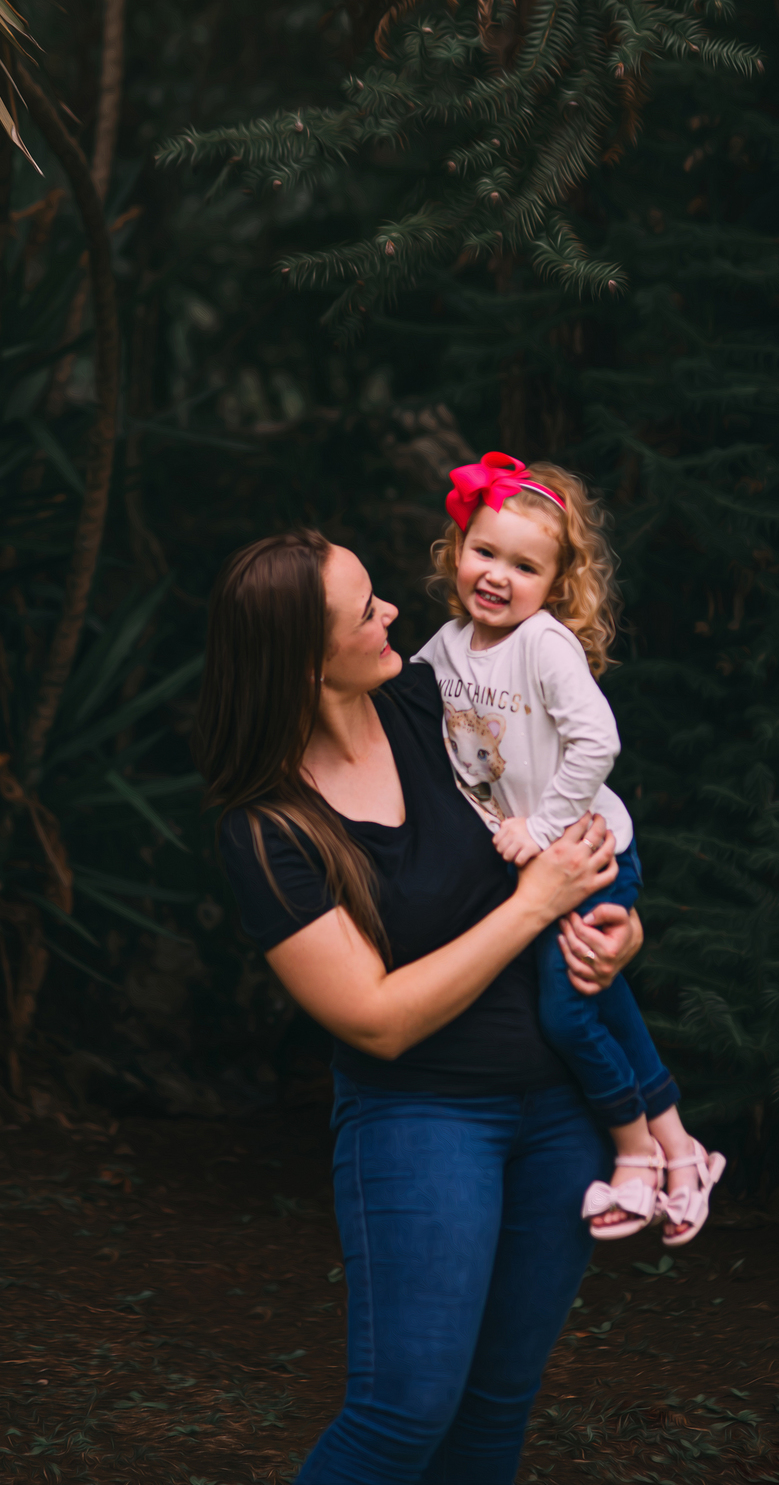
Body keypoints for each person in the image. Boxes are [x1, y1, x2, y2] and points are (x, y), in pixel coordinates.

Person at [193, 529, 643, 1485]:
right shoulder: (270, 831)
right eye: (366, 610)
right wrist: (536, 905)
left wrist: (614, 928)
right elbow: (375, 1017)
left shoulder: (425, 701)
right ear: (306, 661)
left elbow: (567, 813)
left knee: (491, 1419)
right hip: (424, 1115)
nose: (393, 609)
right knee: (402, 1417)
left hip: (563, 1108)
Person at [415, 452, 724, 1244]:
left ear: (554, 586)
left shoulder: (543, 646)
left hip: (586, 855)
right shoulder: (446, 647)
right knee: (604, 995)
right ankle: (685, 1150)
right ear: (457, 554)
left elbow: (598, 743)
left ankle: (635, 1156)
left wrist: (542, 830)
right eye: (484, 552)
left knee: (568, 1007)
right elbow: (401, 710)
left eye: (525, 566)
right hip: (537, 868)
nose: (497, 576)